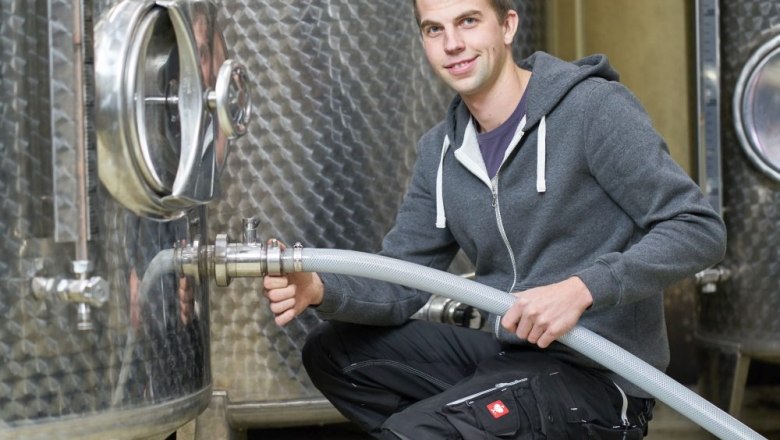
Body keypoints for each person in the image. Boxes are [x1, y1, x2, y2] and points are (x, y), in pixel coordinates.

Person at [263, 0, 727, 438]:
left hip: (600, 378)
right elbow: (402, 279)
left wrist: (582, 289)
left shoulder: (592, 111)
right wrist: (321, 289)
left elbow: (697, 228)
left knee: (422, 433)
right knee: (334, 352)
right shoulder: (441, 152)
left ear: (507, 26)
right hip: (511, 354)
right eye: (434, 29)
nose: (452, 44)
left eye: (468, 21)